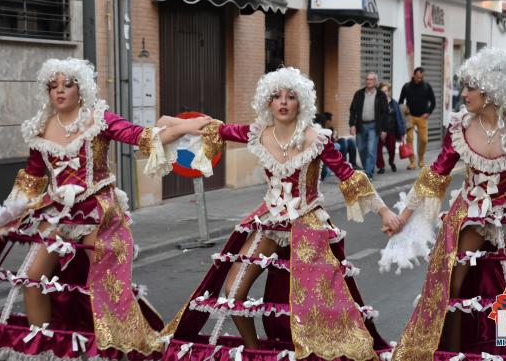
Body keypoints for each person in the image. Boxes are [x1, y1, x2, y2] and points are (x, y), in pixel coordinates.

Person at [0, 58, 210, 360]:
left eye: (67, 84)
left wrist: (186, 125)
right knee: (31, 279)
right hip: (58, 214)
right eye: (52, 86)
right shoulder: (39, 128)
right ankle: (44, 349)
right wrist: (5, 217)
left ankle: (111, 350)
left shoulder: (99, 119)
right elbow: (32, 178)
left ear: (80, 89)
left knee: (103, 289)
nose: (59, 91)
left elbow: (140, 137)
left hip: (99, 212)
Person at [160, 67, 401, 361]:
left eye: (290, 96)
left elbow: (349, 176)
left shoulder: (316, 138)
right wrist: (176, 123)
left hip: (308, 225)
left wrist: (385, 212)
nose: (283, 102)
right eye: (276, 96)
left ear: (301, 102)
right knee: (233, 293)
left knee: (314, 306)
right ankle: (255, 353)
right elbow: (215, 128)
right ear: (268, 102)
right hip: (271, 222)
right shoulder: (257, 134)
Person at [382, 48, 506, 359]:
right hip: (470, 213)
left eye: (470, 87)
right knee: (450, 287)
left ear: (491, 90)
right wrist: (402, 217)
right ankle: (453, 355)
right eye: (464, 86)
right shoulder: (460, 127)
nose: (464, 94)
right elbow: (435, 176)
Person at [349, 72, 387, 178]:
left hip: (374, 126)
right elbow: (353, 110)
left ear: (375, 81)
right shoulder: (359, 94)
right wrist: (352, 125)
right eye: (367, 79)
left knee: (371, 150)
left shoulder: (381, 95)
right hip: (361, 125)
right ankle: (367, 169)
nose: (368, 81)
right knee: (361, 149)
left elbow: (385, 113)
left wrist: (384, 129)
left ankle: (369, 174)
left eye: (371, 79)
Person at [399, 67, 436, 170]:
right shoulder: (406, 87)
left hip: (422, 117)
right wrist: (405, 110)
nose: (420, 79)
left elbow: (433, 102)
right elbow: (400, 102)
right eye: (418, 77)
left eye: (421, 77)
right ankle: (412, 162)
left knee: (424, 140)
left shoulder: (426, 87)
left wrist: (428, 112)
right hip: (410, 117)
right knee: (409, 139)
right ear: (414, 75)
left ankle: (421, 158)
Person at [376, 82, 406, 174]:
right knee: (378, 150)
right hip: (380, 130)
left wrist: (402, 132)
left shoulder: (394, 103)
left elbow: (399, 118)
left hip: (391, 130)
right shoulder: (377, 102)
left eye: (386, 91)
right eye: (383, 91)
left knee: (392, 149)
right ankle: (381, 167)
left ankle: (391, 162)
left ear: (389, 92)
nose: (385, 93)